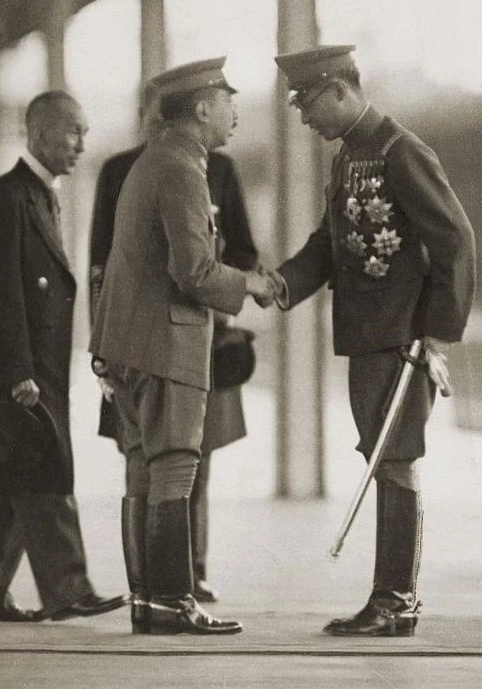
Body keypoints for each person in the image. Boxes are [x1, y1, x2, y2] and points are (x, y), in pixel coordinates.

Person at [270, 45, 476, 637]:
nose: (306, 119)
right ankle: (390, 598)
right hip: (368, 338)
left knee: (397, 462)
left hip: (401, 342)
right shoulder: (348, 158)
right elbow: (329, 246)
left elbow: (455, 240)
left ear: (339, 90)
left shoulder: (400, 152)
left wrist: (437, 331)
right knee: (384, 462)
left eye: (309, 104)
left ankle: (396, 602)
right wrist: (282, 283)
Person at [89, 57, 275, 636]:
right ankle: (174, 602)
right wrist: (252, 285)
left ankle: (149, 600)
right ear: (201, 108)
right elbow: (194, 270)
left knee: (144, 469)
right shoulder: (182, 167)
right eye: (228, 102)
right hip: (166, 343)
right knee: (174, 469)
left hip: (130, 341)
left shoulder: (151, 160)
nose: (235, 115)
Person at [0, 91, 127, 623]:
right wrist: (20, 372)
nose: (82, 144)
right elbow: (0, 292)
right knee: (45, 468)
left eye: (85, 133)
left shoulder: (36, 194)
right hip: (14, 368)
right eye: (73, 132)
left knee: (4, 479)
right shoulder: (9, 196)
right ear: (39, 134)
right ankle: (69, 589)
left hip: (30, 363)